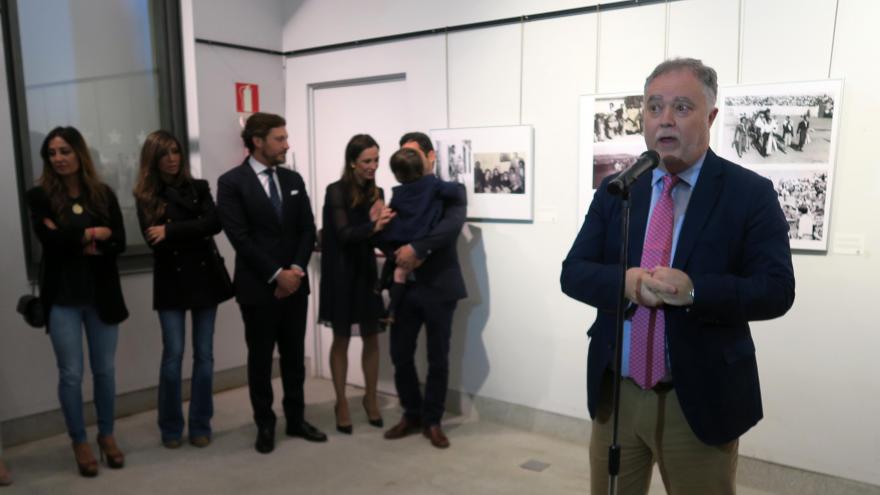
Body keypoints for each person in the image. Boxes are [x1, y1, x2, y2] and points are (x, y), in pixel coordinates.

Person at [561, 58, 795, 494]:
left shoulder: (749, 194)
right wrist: (625, 284)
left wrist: (696, 291)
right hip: (619, 395)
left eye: (682, 107)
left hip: (700, 399)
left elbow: (777, 290)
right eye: (654, 107)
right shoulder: (618, 190)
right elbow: (573, 273)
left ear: (711, 116)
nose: (665, 119)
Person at [217, 112, 326, 453]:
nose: (287, 144)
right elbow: (240, 237)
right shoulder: (232, 183)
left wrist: (293, 269)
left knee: (294, 357)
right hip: (258, 286)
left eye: (285, 137)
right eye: (280, 139)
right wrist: (277, 275)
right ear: (258, 142)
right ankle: (265, 423)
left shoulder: (292, 179)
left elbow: (307, 228)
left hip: (295, 283)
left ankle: (296, 419)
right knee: (261, 359)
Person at [26, 126, 129, 477]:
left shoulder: (102, 194)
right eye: (52, 153)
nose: (58, 158)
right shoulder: (39, 197)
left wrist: (73, 236)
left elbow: (119, 242)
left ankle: (107, 435)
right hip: (63, 300)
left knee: (105, 372)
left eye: (65, 151)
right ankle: (79, 441)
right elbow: (49, 243)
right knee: (70, 375)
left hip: (101, 297)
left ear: (79, 153)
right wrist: (91, 233)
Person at [134, 130, 233, 449]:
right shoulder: (146, 195)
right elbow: (152, 237)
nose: (173, 158)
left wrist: (171, 229)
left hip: (204, 278)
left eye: (176, 151)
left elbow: (215, 224)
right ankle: (171, 427)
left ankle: (201, 424)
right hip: (171, 281)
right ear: (153, 159)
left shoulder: (199, 187)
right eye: (165, 153)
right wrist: (190, 229)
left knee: (204, 355)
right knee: (173, 356)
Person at [383, 132, 467, 449]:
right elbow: (389, 233)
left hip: (438, 286)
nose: (410, 160)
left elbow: (450, 228)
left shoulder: (450, 191)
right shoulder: (401, 194)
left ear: (429, 156)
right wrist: (385, 235)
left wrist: (416, 249)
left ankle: (432, 420)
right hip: (406, 289)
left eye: (414, 153)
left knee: (438, 358)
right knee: (400, 355)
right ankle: (412, 413)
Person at [318, 134, 394, 434]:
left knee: (372, 337)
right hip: (340, 273)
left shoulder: (378, 191)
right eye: (367, 161)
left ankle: (371, 398)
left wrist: (389, 231)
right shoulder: (335, 191)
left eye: (376, 160)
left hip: (364, 271)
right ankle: (341, 402)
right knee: (341, 338)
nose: (373, 166)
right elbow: (344, 234)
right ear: (352, 162)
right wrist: (374, 224)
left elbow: (377, 236)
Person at [376, 147, 462, 326]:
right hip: (419, 244)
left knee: (396, 268)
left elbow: (390, 219)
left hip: (431, 276)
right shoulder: (433, 186)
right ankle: (389, 305)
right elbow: (456, 191)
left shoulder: (400, 192)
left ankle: (381, 291)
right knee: (405, 350)